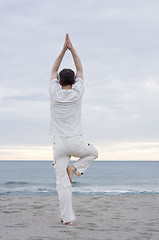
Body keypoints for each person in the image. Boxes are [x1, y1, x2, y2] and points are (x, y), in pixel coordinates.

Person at [49, 34, 98, 226]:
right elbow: (80, 68)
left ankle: (68, 220)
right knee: (93, 152)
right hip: (76, 142)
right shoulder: (78, 92)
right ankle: (75, 168)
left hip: (59, 144)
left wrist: (63, 50)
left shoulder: (54, 93)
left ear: (59, 82)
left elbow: (53, 69)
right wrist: (72, 49)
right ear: (74, 81)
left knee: (62, 183)